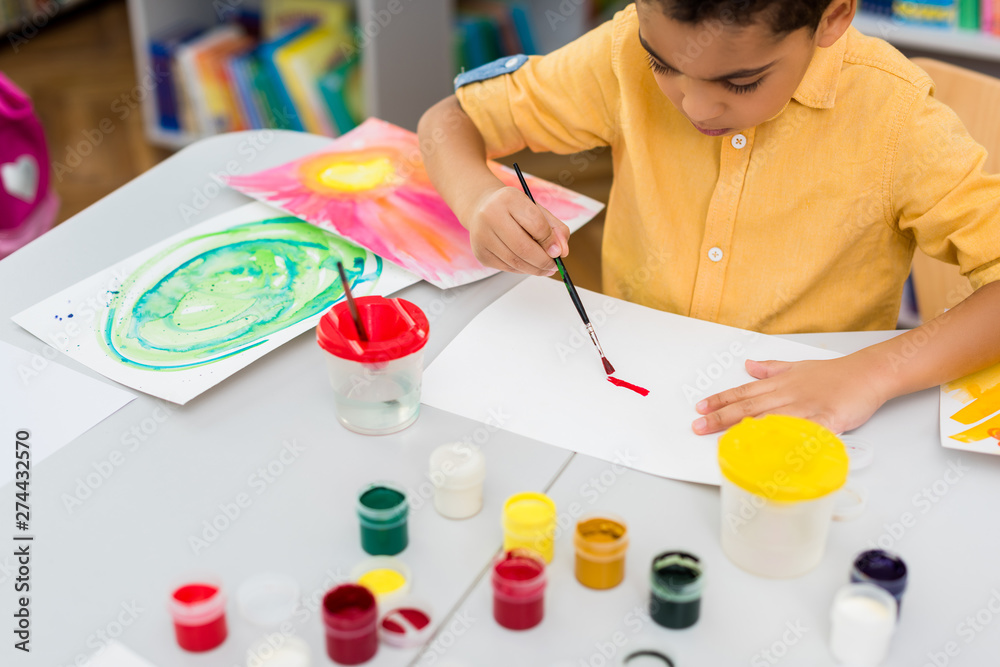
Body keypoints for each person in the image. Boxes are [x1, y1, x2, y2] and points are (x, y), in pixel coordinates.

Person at [417, 0, 1000, 438]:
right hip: (629, 401)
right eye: (661, 64)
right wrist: (479, 200)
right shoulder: (621, 52)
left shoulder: (894, 118)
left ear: (833, 16)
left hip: (806, 429)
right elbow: (449, 120)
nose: (694, 105)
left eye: (740, 82)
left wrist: (871, 375)